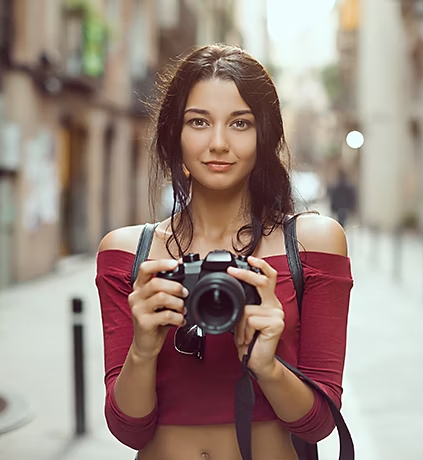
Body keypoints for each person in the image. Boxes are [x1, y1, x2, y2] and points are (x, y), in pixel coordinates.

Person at [95, 44, 353, 460]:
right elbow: (129, 430)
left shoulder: (313, 244)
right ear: (173, 136)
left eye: (240, 123)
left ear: (264, 136)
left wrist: (267, 365)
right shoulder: (128, 253)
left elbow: (319, 424)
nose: (218, 143)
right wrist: (144, 348)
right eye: (199, 122)